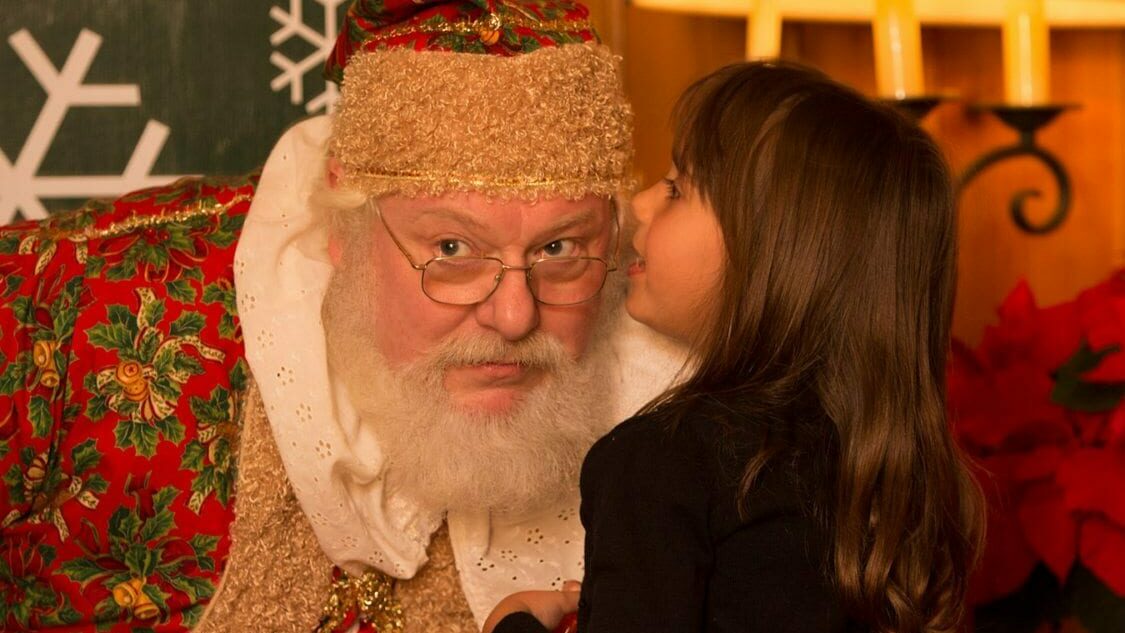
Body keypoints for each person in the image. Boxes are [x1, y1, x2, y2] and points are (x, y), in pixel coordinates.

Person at [0, 1, 683, 631]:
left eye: (560, 248)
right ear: (343, 230)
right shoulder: (74, 301)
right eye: (451, 248)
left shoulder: (684, 407)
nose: (512, 316)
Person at [484, 62, 987, 633]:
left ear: (771, 256)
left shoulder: (657, 461)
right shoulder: (888, 466)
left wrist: (514, 624)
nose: (641, 204)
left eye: (676, 189)